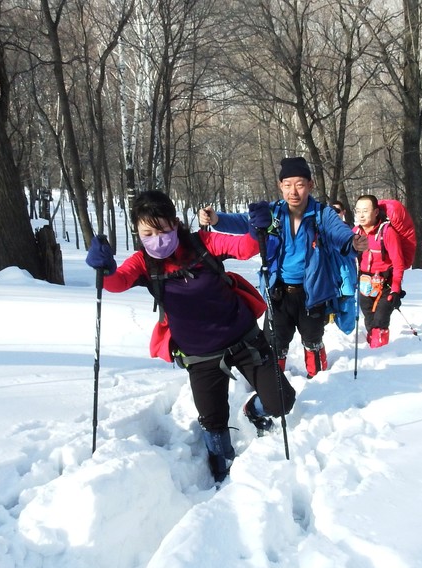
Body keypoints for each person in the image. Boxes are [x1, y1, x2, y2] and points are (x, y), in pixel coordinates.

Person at [86, 189, 296, 487]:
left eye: (162, 229)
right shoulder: (144, 262)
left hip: (244, 338)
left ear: (175, 222)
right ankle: (223, 471)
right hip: (200, 355)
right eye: (147, 233)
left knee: (281, 400)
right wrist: (104, 268)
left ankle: (254, 409)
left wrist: (256, 227)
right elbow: (116, 283)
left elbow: (246, 248)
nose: (156, 239)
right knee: (213, 423)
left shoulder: (202, 243)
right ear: (138, 232)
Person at [199, 157, 368, 378]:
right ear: (280, 186)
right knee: (274, 341)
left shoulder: (322, 214)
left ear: (310, 184)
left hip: (313, 293)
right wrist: (216, 218)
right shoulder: (273, 213)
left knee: (313, 339)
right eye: (287, 185)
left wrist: (353, 243)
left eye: (299, 184)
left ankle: (319, 381)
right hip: (278, 291)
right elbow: (244, 222)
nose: (293, 191)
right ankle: (275, 383)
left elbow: (339, 232)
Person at [353, 194, 406, 348]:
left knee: (381, 318)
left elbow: (398, 262)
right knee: (368, 317)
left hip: (386, 282)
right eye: (358, 211)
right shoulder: (356, 232)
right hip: (365, 282)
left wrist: (396, 289)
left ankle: (380, 352)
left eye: (365, 211)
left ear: (376, 212)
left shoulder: (387, 232)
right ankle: (371, 347)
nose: (361, 215)